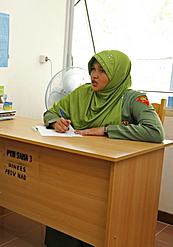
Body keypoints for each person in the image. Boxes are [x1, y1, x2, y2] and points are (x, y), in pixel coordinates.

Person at [43, 50, 165, 247]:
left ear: (117, 74)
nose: (94, 75)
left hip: (112, 174)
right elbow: (51, 112)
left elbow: (155, 132)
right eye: (93, 69)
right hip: (76, 165)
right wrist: (55, 121)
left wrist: (106, 130)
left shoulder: (132, 99)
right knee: (61, 193)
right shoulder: (82, 92)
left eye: (102, 70)